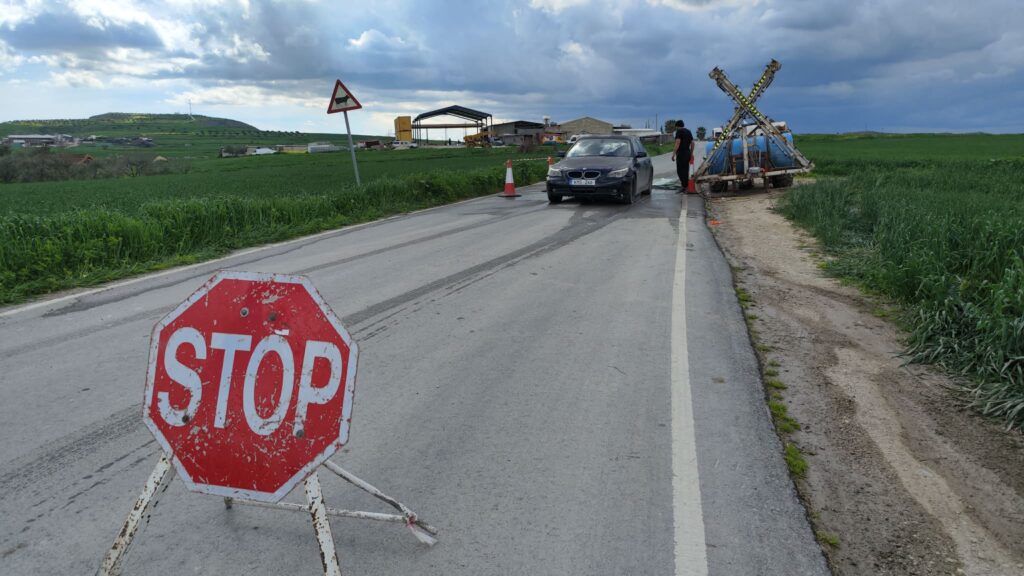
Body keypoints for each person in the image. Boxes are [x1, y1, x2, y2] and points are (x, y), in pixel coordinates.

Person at [671, 120, 694, 192]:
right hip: (687, 152)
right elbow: (692, 143)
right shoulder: (688, 131)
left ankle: (684, 186)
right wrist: (691, 153)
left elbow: (677, 142)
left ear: (677, 126)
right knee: (686, 170)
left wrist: (673, 154)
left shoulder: (679, 131)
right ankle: (685, 186)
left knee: (680, 171)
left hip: (681, 153)